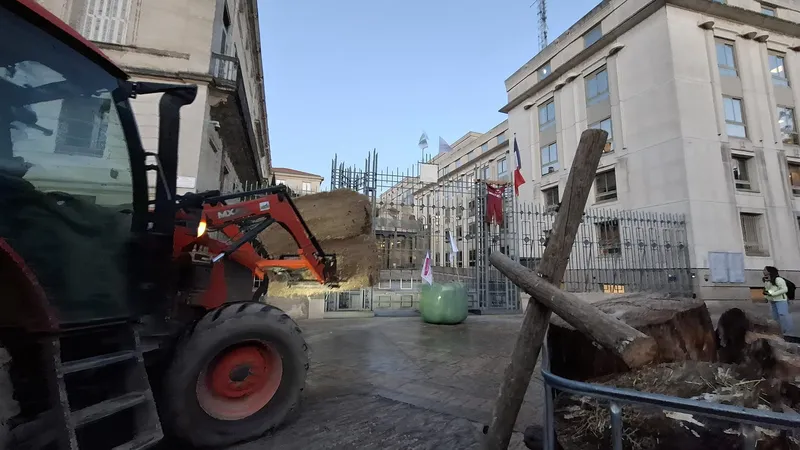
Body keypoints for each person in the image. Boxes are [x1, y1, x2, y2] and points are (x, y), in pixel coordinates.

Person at [763, 266, 794, 335]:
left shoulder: (778, 279)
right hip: (773, 301)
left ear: (770, 271)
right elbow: (767, 290)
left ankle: (787, 330)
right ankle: (778, 329)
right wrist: (766, 297)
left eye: (765, 270)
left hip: (781, 300)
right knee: (775, 316)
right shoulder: (767, 280)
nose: (763, 271)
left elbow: (784, 289)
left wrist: (773, 294)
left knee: (783, 315)